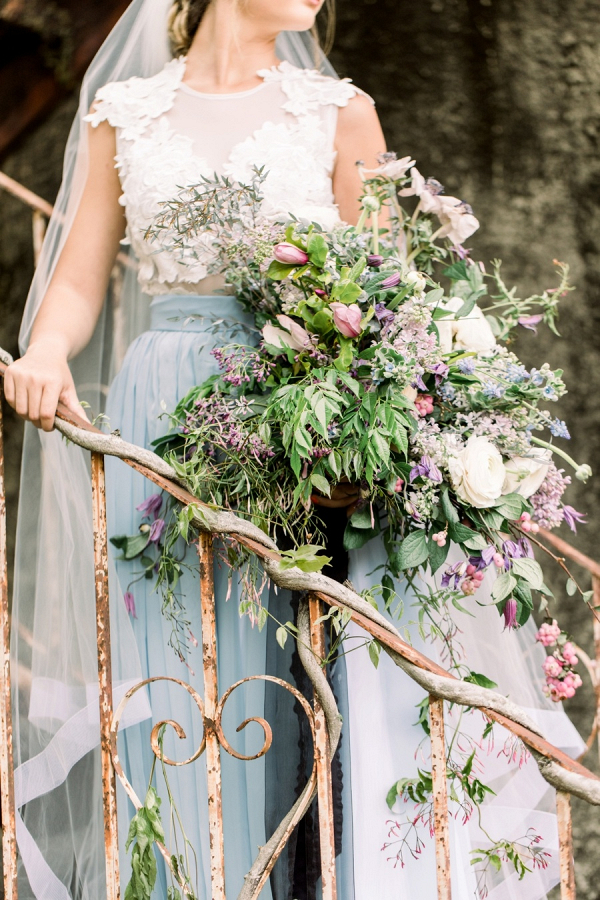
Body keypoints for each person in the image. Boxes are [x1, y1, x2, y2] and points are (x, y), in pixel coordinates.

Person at [3, 1, 585, 898]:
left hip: (297, 425)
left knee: (297, 683)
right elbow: (79, 276)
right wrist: (45, 350)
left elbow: (389, 296)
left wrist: (369, 421)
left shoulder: (337, 109)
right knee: (177, 689)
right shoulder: (125, 113)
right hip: (162, 420)